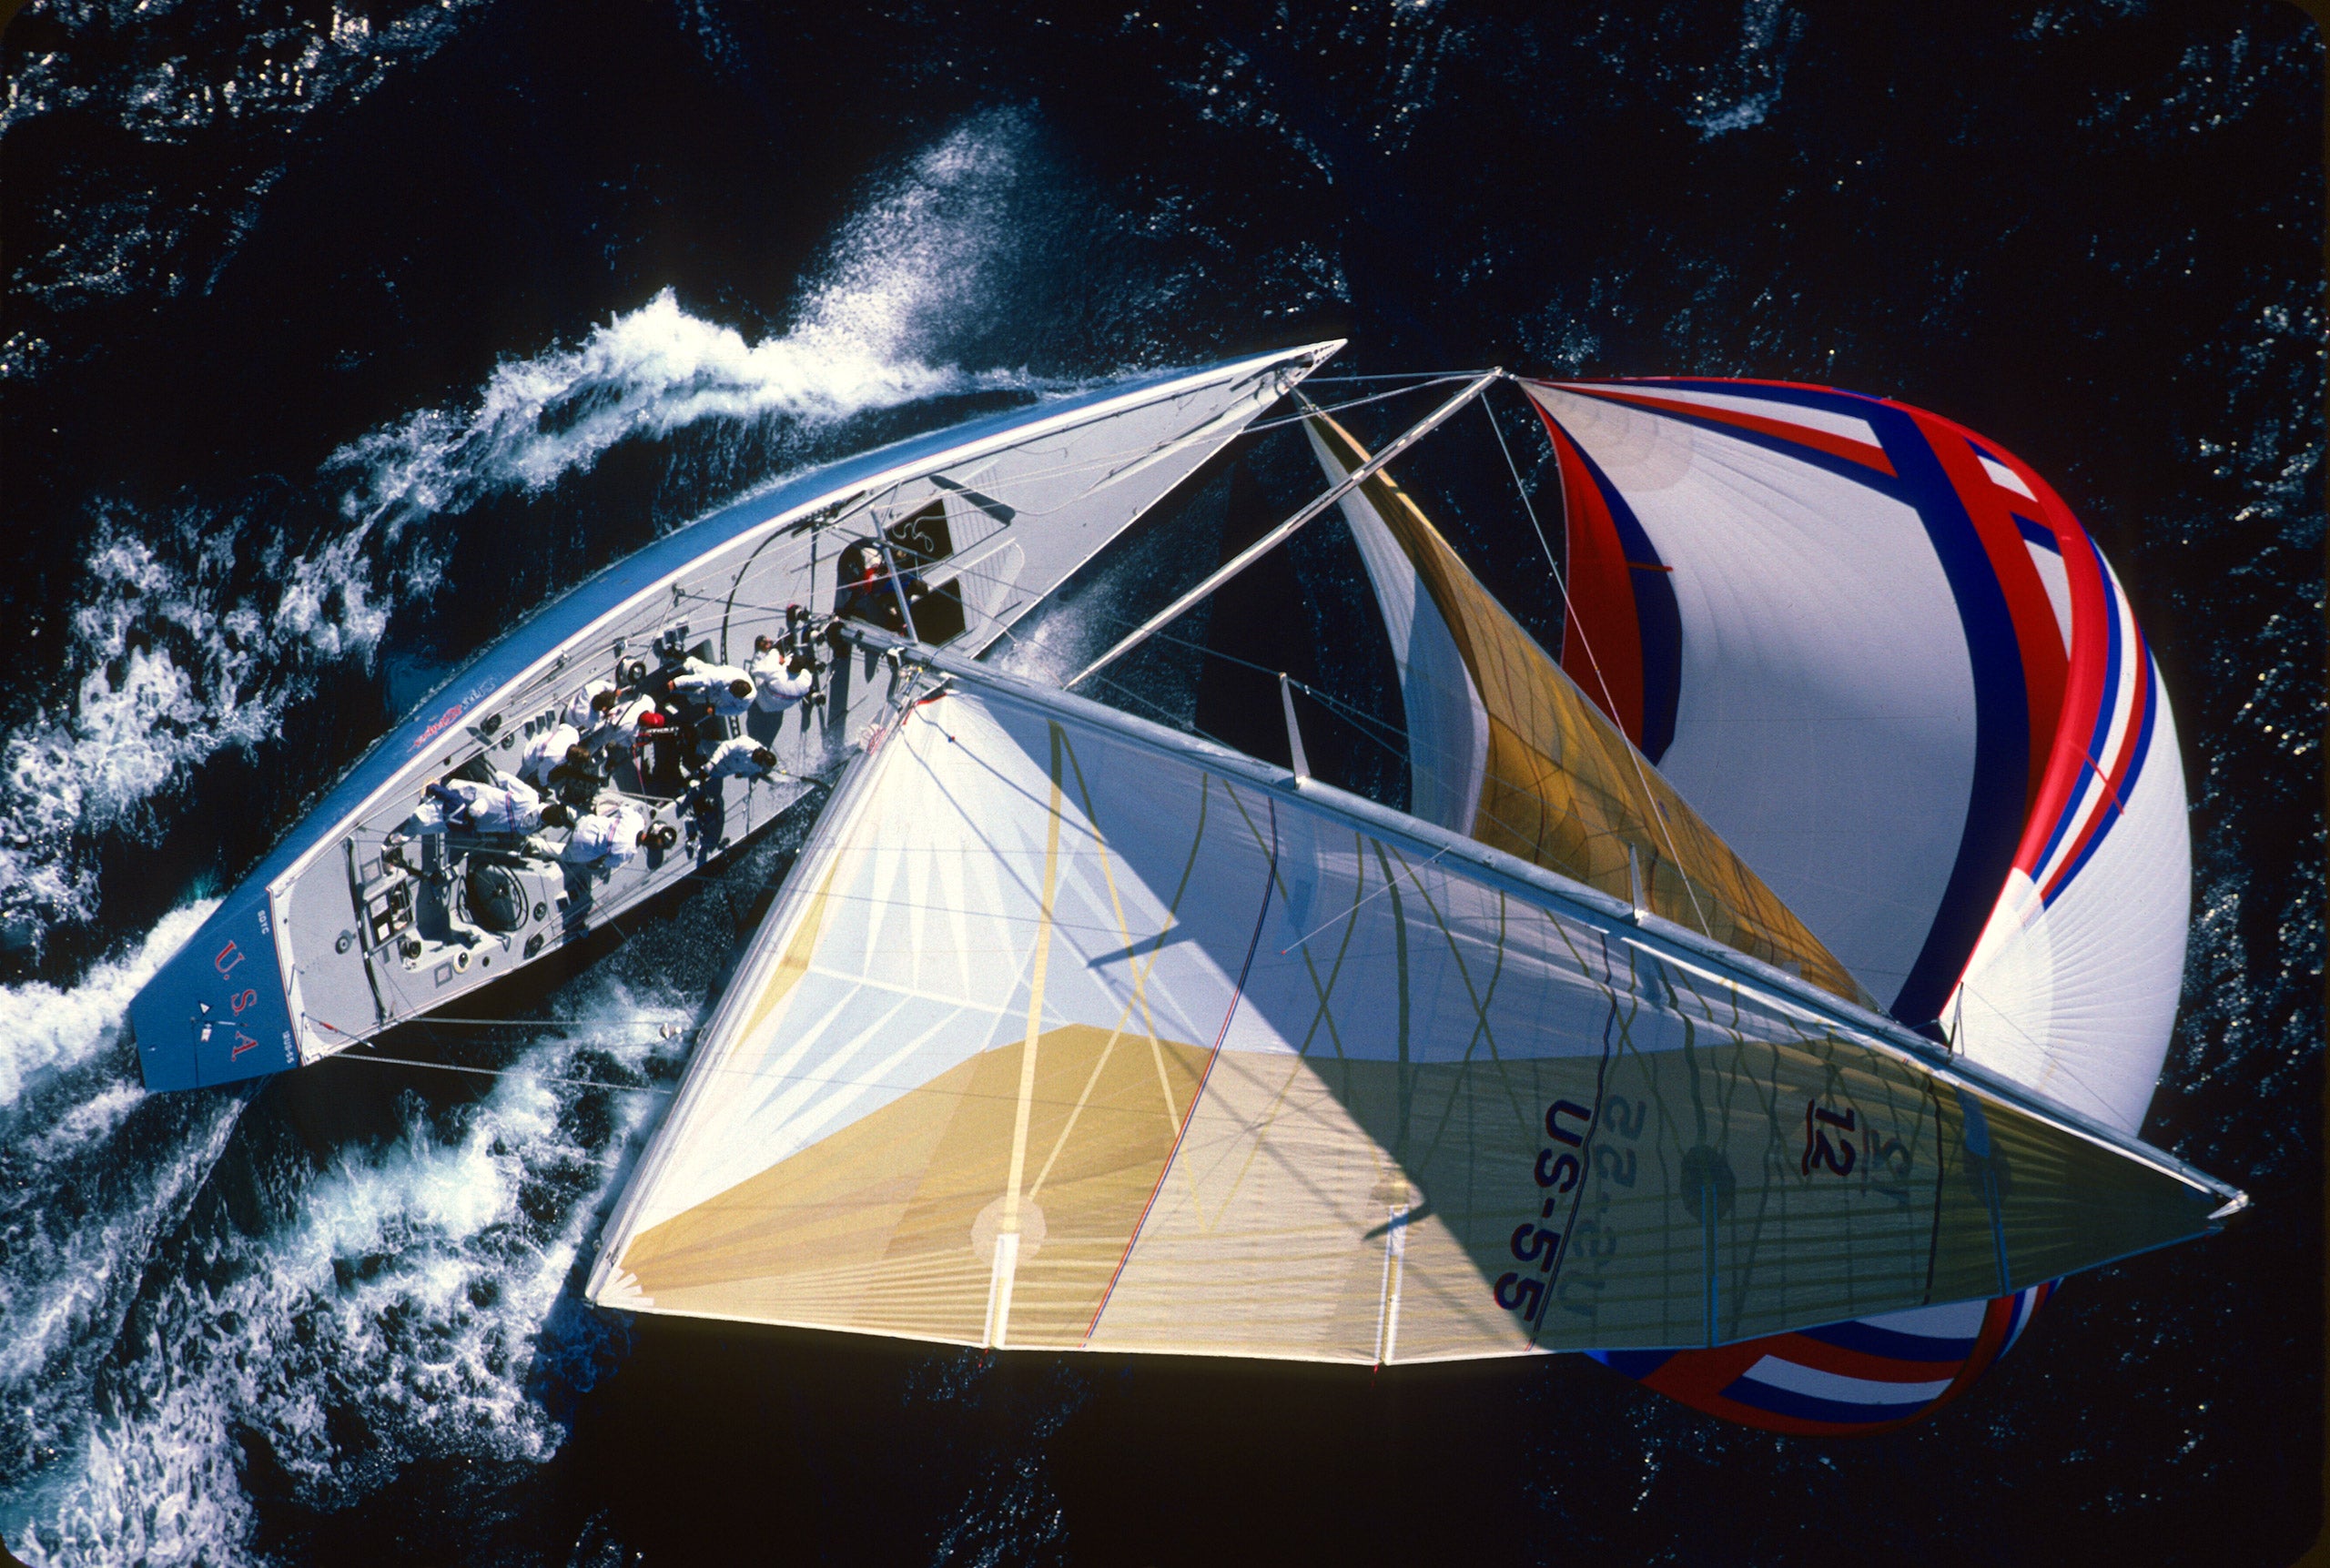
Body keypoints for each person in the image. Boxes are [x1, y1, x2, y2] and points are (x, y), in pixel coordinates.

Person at [425, 770, 543, 835]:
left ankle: (431, 790)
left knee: (448, 788)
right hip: (475, 823)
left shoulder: (531, 797)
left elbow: (501, 776)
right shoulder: (527, 830)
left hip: (473, 795)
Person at [557, 802, 651, 870]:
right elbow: (608, 863)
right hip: (582, 844)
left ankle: (561, 808)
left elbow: (622, 809)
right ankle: (542, 846)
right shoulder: (629, 852)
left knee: (579, 814)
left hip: (588, 824)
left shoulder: (637, 820)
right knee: (566, 855)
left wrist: (640, 821)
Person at [747, 634, 818, 715]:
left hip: (762, 701)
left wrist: (769, 652)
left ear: (791, 663)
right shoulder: (807, 679)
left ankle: (764, 649)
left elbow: (755, 670)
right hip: (778, 706)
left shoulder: (776, 672)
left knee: (769, 659)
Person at [669, 655, 756, 717]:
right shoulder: (725, 676)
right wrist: (676, 683)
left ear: (739, 697)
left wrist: (717, 711)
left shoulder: (747, 701)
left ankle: (676, 701)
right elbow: (701, 679)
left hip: (718, 695)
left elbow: (736, 710)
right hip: (714, 677)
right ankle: (681, 658)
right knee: (696, 668)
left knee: (693, 698)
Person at [518, 721, 582, 788]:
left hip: (537, 740)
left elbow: (562, 726)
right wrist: (544, 784)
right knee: (522, 777)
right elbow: (542, 772)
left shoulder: (574, 735)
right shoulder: (557, 758)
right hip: (529, 756)